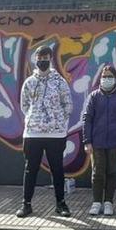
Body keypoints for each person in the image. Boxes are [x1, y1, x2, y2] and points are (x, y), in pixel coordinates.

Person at [17, 47, 73, 218]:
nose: (43, 60)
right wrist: (34, 120)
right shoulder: (29, 82)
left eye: (46, 57)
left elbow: (68, 104)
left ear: (50, 58)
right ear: (35, 59)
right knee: (30, 169)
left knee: (57, 169)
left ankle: (61, 204)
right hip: (33, 134)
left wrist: (59, 122)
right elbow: (24, 105)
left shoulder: (59, 81)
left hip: (55, 135)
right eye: (40, 57)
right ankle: (26, 205)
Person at [81, 65, 116, 216]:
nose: (106, 79)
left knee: (112, 172)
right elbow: (87, 119)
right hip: (96, 142)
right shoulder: (94, 96)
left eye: (109, 76)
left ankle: (108, 202)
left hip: (115, 143)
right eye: (104, 76)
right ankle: (97, 202)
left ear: (115, 79)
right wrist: (87, 141)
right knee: (97, 173)